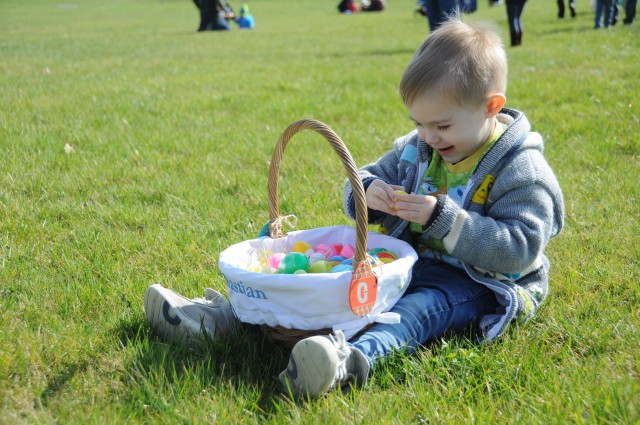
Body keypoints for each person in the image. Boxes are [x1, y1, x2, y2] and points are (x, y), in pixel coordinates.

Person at [144, 16, 565, 400]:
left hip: (472, 280)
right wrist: (371, 190)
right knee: (326, 283)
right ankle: (220, 320)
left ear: (491, 106)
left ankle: (343, 362)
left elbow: (521, 248)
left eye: (441, 126)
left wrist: (444, 220)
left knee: (410, 314)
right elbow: (361, 179)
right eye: (418, 122)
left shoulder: (519, 169)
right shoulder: (420, 148)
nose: (428, 136)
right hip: (406, 261)